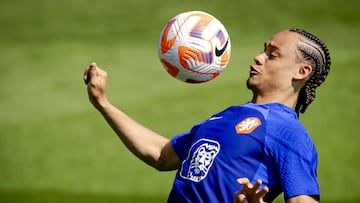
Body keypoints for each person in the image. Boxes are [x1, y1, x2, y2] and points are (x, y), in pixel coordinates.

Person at [83, 28, 331, 203]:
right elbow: (161, 155)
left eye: (272, 54)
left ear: (302, 71)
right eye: (263, 50)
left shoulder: (289, 132)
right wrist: (103, 103)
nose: (258, 57)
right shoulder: (225, 117)